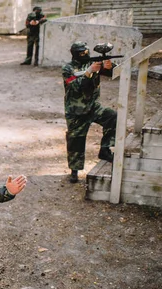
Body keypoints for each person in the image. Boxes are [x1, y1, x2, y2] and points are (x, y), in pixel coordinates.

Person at [62, 41, 116, 183]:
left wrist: (110, 67)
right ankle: (74, 171)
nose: (84, 55)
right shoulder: (68, 69)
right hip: (76, 111)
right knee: (76, 141)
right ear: (75, 54)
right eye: (81, 53)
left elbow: (113, 74)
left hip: (93, 107)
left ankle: (105, 149)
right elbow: (74, 85)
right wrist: (90, 71)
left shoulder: (92, 63)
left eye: (85, 52)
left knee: (112, 116)